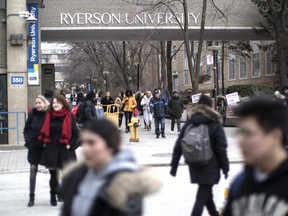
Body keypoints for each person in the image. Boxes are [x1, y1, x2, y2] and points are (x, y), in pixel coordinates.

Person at [60, 119, 162, 216]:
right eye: (84, 142)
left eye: (91, 143)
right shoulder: (74, 176)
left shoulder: (126, 184)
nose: (85, 148)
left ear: (110, 145)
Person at [223, 96, 288, 216]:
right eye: (239, 133)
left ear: (275, 136)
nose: (240, 141)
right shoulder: (240, 183)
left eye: (248, 133)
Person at [170, 95, 229, 216]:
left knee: (207, 194)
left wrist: (174, 166)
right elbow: (221, 148)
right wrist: (225, 167)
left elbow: (178, 145)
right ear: (211, 107)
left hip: (195, 165)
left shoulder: (190, 122)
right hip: (211, 165)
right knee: (201, 197)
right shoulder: (215, 123)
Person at [38, 95, 79, 206]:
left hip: (66, 150)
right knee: (54, 176)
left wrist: (70, 145)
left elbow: (76, 134)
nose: (55, 104)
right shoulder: (48, 116)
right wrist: (43, 142)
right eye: (54, 102)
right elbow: (41, 131)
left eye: (58, 102)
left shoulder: (69, 116)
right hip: (52, 150)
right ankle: (53, 194)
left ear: (63, 103)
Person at [24, 95, 50, 207]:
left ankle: (57, 193)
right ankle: (31, 197)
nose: (38, 105)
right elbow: (26, 129)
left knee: (53, 171)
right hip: (34, 146)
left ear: (44, 103)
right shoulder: (32, 114)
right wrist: (29, 141)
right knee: (33, 171)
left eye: (40, 103)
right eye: (36, 103)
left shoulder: (49, 115)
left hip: (46, 147)